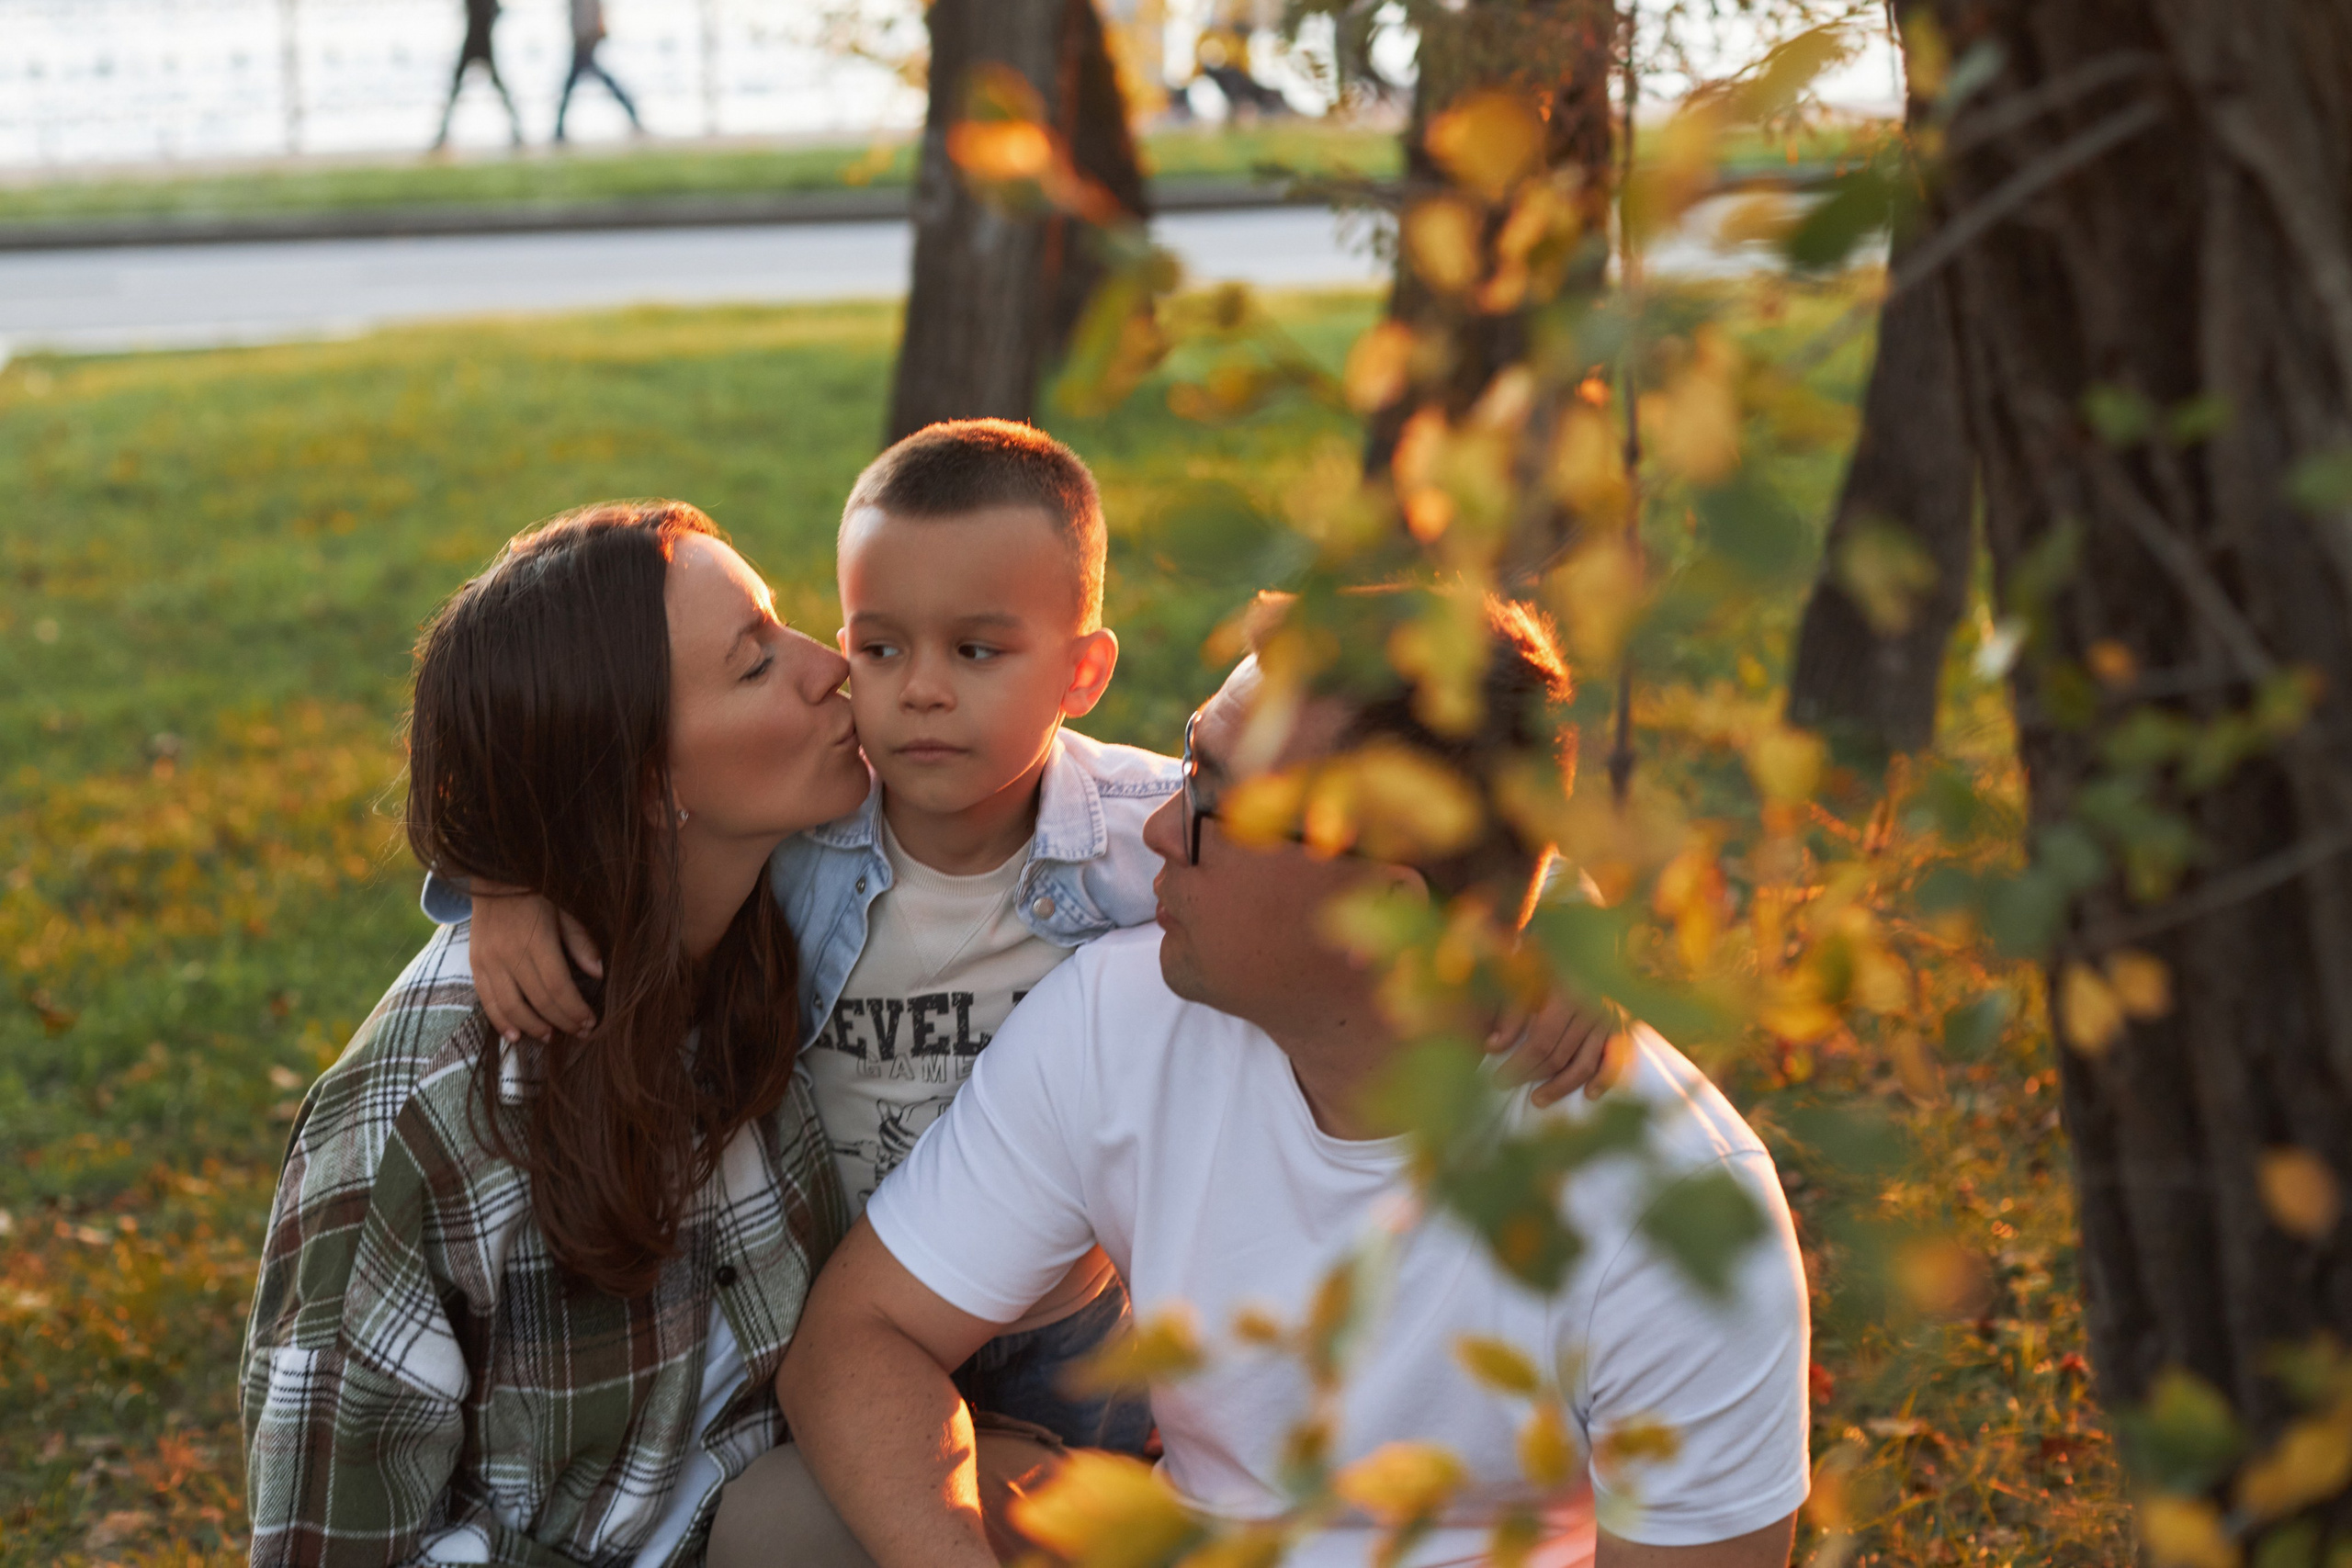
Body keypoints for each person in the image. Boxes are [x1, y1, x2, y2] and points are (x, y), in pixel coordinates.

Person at [441, 423, 1617, 1476]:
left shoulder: (1139, 833)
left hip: (1066, 1328)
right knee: (844, 1494)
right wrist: (506, 882)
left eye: (977, 652)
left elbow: (1455, 855)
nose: (921, 693)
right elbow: (620, 829)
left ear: (1081, 673)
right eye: (881, 649)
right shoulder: (803, 837)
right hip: (850, 1293)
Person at [771, 599, 1815, 1568]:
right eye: (1190, 761)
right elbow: (857, 1340)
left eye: (1215, 801)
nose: (1159, 829)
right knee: (789, 1519)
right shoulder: (1123, 1014)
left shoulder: (1676, 1214)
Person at [240, 502, 866, 1565]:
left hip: (762, 1505)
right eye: (756, 664)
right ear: (647, 784)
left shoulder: (799, 905)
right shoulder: (432, 1111)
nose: (833, 666)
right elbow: (330, 1541)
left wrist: (495, 869)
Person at [432, 0, 524, 152]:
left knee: (457, 91)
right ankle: (517, 133)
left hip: (479, 43)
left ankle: (517, 133)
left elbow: (495, 11)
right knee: (457, 91)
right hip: (475, 42)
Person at [555, 0, 646, 144]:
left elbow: (588, 13)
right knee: (587, 82)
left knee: (573, 84)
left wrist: (588, 33)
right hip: (585, 37)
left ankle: (558, 130)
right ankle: (558, 129)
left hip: (585, 39)